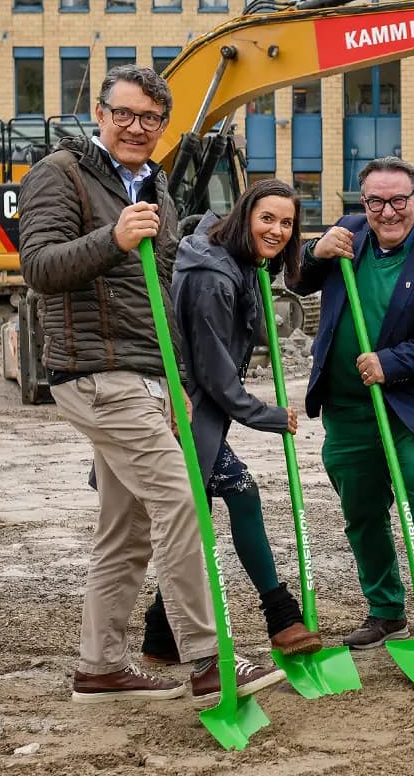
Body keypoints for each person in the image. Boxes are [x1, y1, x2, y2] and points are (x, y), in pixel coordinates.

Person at [17, 64, 275, 703]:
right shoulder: (63, 173)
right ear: (100, 114)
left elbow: (159, 290)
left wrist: (178, 382)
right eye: (124, 114)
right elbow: (39, 268)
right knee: (183, 498)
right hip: (95, 373)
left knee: (125, 528)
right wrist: (111, 237)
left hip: (146, 376)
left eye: (150, 119)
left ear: (164, 125)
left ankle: (99, 666)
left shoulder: (155, 186)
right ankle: (209, 659)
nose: (137, 127)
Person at [133, 178, 324, 666]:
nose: (278, 229)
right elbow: (215, 372)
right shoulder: (213, 278)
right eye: (267, 219)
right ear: (244, 217)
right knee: (238, 493)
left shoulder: (238, 264)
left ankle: (160, 637)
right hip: (185, 413)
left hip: (201, 413)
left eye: (286, 223)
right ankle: (280, 615)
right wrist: (268, 415)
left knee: (194, 519)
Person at [293, 157, 414, 647]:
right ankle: (385, 610)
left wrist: (390, 362)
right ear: (363, 202)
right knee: (363, 507)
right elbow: (295, 279)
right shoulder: (347, 234)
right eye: (376, 201)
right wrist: (314, 251)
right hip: (349, 408)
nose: (387, 212)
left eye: (398, 200)